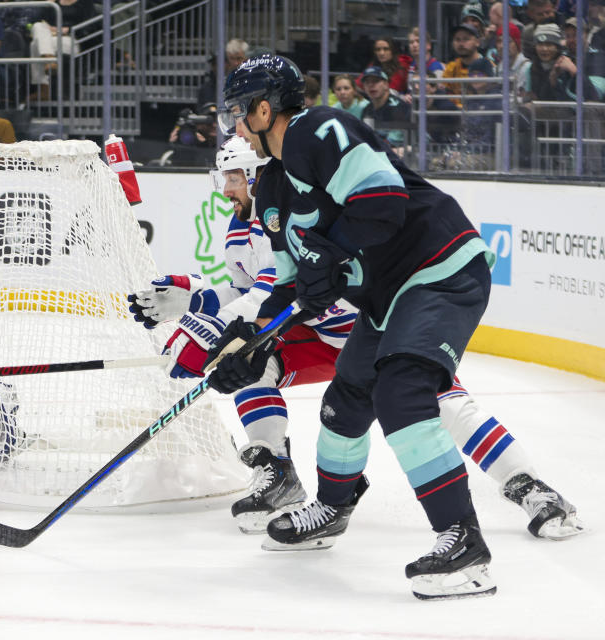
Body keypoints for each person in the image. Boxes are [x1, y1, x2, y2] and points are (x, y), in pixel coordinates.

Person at [131, 135, 584, 541]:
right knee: (253, 365)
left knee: (444, 406)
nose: (225, 189)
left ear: (255, 175)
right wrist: (192, 297)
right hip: (319, 337)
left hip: (375, 328)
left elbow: (271, 287)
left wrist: (211, 324)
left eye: (232, 177)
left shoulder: (288, 210)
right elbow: (250, 289)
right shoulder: (240, 225)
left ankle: (528, 485)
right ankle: (276, 470)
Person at [213, 54, 497, 600]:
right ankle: (332, 510)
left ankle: (463, 542)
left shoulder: (317, 128)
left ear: (263, 107)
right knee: (346, 400)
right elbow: (291, 285)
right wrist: (254, 345)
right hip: (387, 294)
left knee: (403, 392)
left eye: (237, 111)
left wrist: (332, 256)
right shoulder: (271, 190)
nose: (234, 125)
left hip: (439, 267)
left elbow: (382, 202)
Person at [27, 0, 94, 96]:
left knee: (35, 45)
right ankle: (49, 58)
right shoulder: (53, 3)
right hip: (49, 37)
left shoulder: (85, 3)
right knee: (37, 26)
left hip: (70, 38)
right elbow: (32, 22)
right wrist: (46, 5)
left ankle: (44, 89)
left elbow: (89, 25)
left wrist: (66, 30)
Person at [360, 65, 412, 152]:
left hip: (406, 153)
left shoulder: (399, 107)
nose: (371, 85)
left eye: (375, 81)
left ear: (386, 85)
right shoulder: (367, 110)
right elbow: (367, 137)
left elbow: (393, 141)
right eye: (367, 82)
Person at [443, 23, 495, 105]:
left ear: (477, 42)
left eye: (466, 39)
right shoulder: (451, 68)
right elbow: (445, 96)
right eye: (457, 39)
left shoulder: (489, 66)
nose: (461, 43)